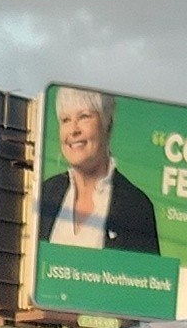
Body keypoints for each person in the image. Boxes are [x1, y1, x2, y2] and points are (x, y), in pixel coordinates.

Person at [39, 88, 161, 256]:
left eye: (84, 117)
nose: (73, 130)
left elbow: (146, 279)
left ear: (107, 123)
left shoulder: (137, 207)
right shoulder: (44, 194)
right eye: (66, 120)